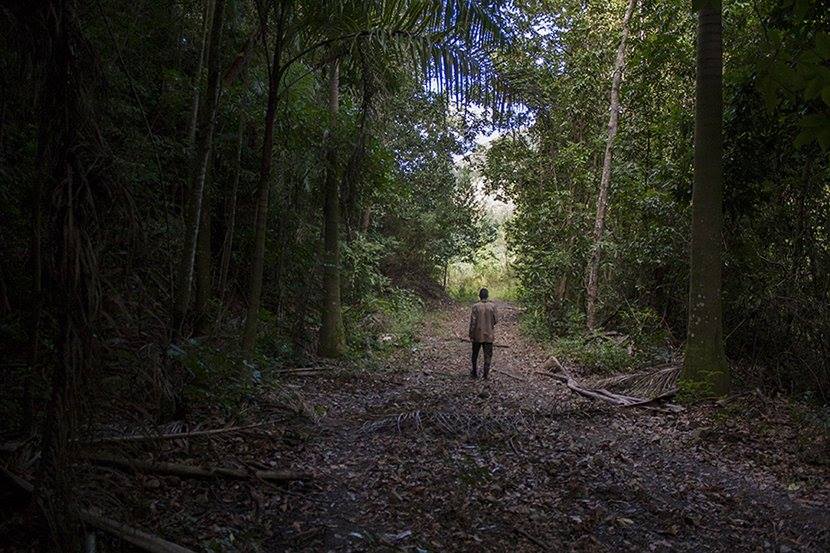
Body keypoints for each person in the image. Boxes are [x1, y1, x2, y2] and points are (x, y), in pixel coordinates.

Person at [469, 288, 497, 379]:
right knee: (488, 355)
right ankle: (485, 374)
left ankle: (474, 372)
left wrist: (471, 334)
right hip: (489, 334)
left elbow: (473, 322)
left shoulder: (475, 306)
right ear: (487, 296)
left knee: (475, 354)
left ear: (479, 296)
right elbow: (496, 320)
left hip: (478, 334)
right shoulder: (492, 306)